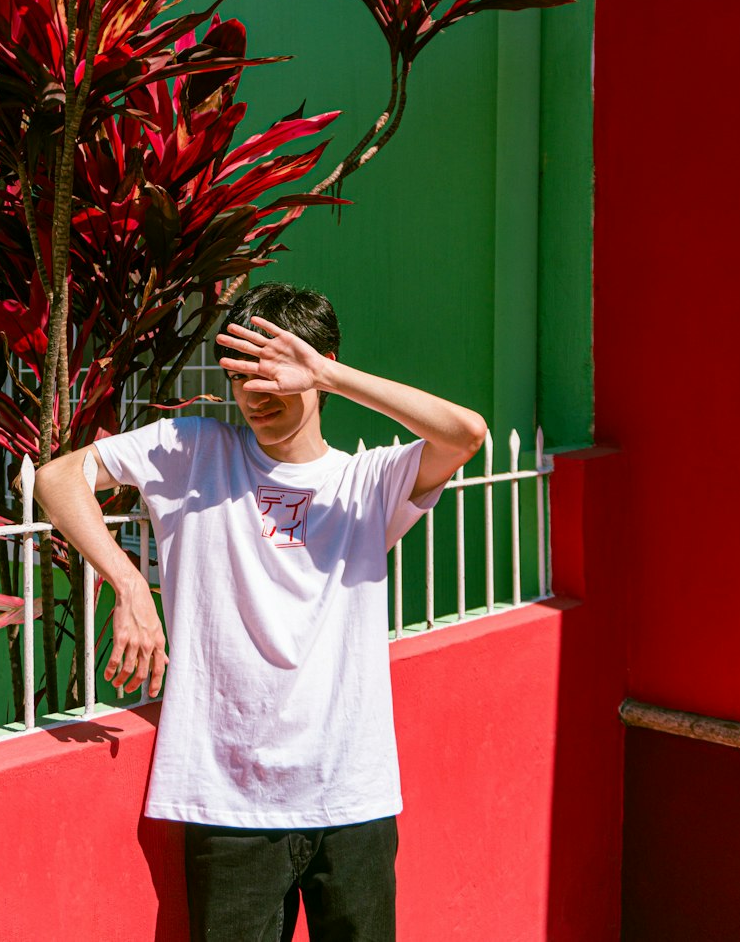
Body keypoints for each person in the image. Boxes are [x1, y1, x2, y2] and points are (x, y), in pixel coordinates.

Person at [34, 282, 486, 941]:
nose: (256, 393)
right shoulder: (195, 453)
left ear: (320, 364)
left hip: (351, 798)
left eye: (275, 372)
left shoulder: (367, 482)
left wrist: (327, 374)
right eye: (242, 375)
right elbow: (57, 478)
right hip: (228, 803)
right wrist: (130, 585)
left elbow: (465, 433)